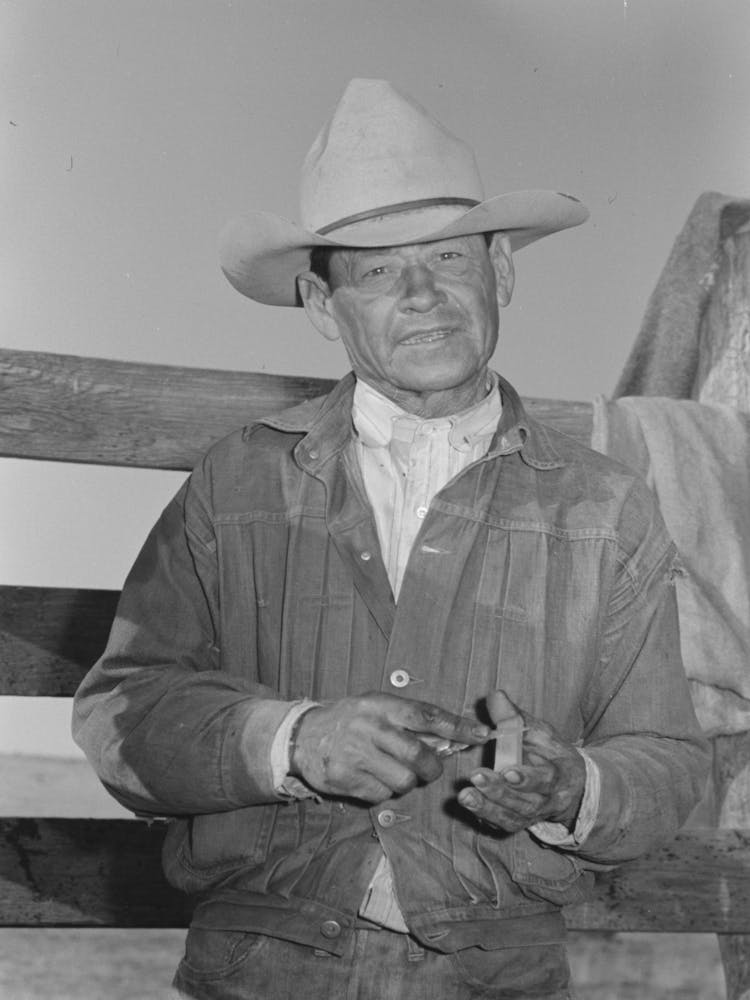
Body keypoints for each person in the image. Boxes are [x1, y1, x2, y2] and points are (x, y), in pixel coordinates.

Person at [73, 79, 710, 1000]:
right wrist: (293, 741)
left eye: (450, 257)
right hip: (262, 963)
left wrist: (571, 788)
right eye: (375, 271)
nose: (422, 295)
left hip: (496, 972)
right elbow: (120, 714)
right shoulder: (239, 480)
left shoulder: (605, 506)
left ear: (501, 274)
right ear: (324, 306)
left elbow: (668, 757)